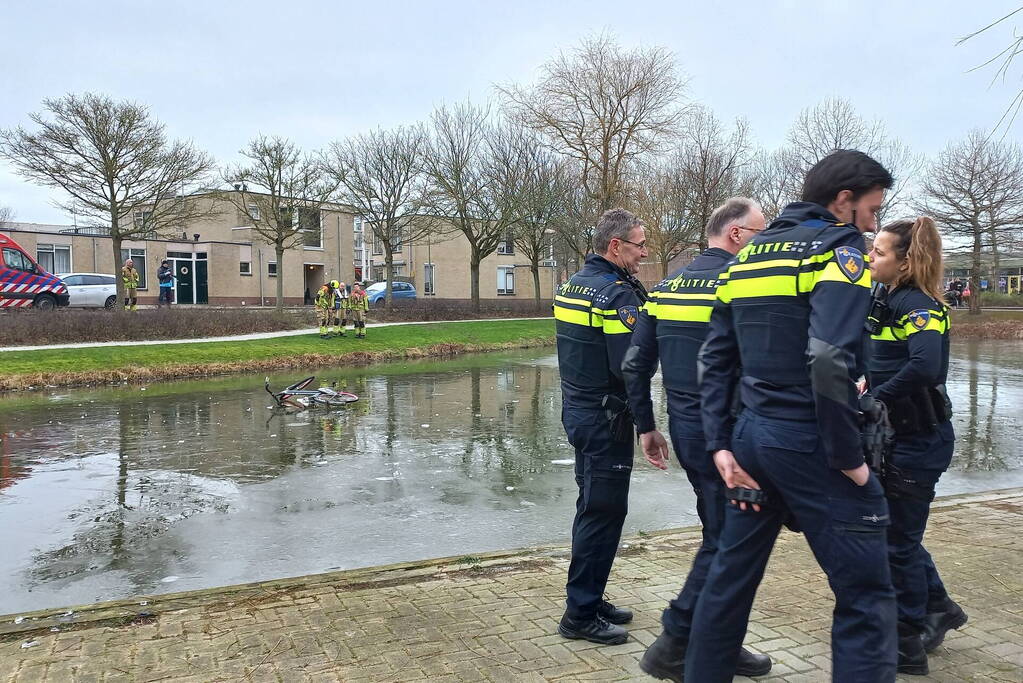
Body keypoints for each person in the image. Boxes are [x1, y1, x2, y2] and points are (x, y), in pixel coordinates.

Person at [688, 149, 898, 682]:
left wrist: (720, 445)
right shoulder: (840, 250)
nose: (873, 225)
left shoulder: (748, 258)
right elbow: (828, 357)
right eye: (872, 209)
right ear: (844, 200)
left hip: (751, 442)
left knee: (729, 583)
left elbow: (714, 359)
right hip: (811, 444)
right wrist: (849, 459)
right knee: (866, 595)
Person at [623, 198, 771, 681]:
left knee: (721, 535)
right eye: (760, 233)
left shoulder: (664, 289)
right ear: (736, 234)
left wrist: (647, 425)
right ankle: (679, 642)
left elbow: (635, 365)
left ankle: (713, 641)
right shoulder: (744, 283)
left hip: (688, 432)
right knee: (729, 543)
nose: (765, 242)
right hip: (733, 434)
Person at [866, 217, 965, 674]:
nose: (871, 257)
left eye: (880, 252)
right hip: (895, 437)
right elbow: (878, 356)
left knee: (898, 542)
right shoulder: (883, 297)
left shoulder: (919, 305)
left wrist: (876, 398)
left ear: (905, 262)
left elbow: (926, 366)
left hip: (920, 440)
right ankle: (939, 606)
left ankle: (908, 632)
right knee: (897, 534)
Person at [553, 208, 649, 645]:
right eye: (639, 245)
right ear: (616, 245)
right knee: (603, 513)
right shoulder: (614, 294)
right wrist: (647, 424)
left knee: (591, 507)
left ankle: (589, 597)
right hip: (607, 419)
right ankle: (579, 615)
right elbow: (630, 368)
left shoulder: (574, 284)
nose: (644, 253)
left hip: (579, 412)